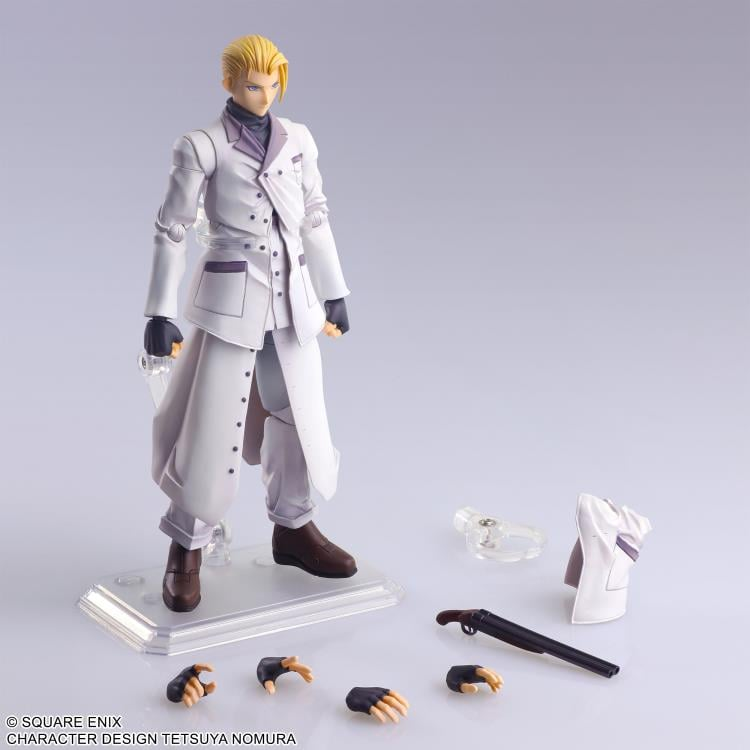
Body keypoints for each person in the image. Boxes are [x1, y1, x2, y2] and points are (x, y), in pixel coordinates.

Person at [142, 34, 356, 612]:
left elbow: (315, 215)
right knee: (210, 425)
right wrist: (160, 311)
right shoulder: (202, 145)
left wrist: (334, 291)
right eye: (253, 86)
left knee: (296, 416)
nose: (264, 96)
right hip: (230, 302)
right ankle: (186, 545)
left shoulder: (298, 139)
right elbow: (173, 228)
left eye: (272, 85)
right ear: (229, 84)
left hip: (292, 300)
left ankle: (294, 527)